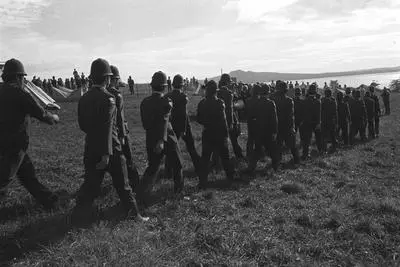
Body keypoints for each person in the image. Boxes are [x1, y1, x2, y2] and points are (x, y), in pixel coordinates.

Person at [74, 58, 147, 221]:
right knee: (123, 185)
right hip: (111, 149)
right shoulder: (109, 98)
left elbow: (82, 125)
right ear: (107, 78)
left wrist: (94, 138)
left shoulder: (84, 98)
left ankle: (78, 216)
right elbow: (108, 128)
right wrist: (106, 154)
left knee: (90, 185)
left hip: (91, 146)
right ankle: (135, 215)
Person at [0, 58, 60, 210]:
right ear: (18, 77)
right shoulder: (21, 94)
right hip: (14, 146)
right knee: (3, 181)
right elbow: (41, 113)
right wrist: (53, 118)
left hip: (5, 143)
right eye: (22, 77)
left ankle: (50, 201)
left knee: (28, 176)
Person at [138, 71, 184, 204]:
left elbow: (145, 124)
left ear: (152, 86)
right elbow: (164, 121)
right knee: (178, 164)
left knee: (152, 167)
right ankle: (178, 193)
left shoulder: (144, 102)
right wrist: (161, 140)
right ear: (164, 87)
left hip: (151, 138)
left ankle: (141, 194)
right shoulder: (166, 101)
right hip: (167, 138)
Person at [107, 65, 141, 190]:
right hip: (119, 133)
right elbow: (120, 118)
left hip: (106, 135)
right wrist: (122, 135)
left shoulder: (100, 93)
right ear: (114, 80)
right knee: (128, 159)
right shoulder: (116, 95)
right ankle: (136, 184)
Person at [197, 80, 235, 188]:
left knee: (205, 158)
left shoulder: (202, 103)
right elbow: (223, 121)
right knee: (225, 157)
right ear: (216, 91)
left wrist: (205, 123)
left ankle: (202, 180)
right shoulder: (220, 102)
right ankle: (230, 177)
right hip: (219, 133)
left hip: (207, 133)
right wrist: (226, 135)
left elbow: (198, 118)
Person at [165, 74, 201, 177]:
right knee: (191, 148)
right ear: (182, 85)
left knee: (171, 150)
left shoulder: (168, 96)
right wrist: (183, 129)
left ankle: (168, 171)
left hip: (171, 126)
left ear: (172, 85)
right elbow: (183, 114)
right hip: (184, 125)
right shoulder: (183, 97)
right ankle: (198, 167)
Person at [246, 84, 280, 172]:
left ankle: (251, 167)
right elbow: (274, 119)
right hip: (268, 131)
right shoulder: (270, 103)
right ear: (268, 93)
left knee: (257, 150)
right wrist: (275, 131)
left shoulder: (255, 102)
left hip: (258, 131)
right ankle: (276, 167)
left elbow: (252, 117)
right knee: (273, 150)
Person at [271, 80, 300, 164]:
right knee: (292, 145)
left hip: (277, 125)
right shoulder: (289, 100)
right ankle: (296, 160)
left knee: (278, 145)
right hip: (287, 125)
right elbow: (291, 115)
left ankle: (277, 162)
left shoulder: (272, 99)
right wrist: (292, 127)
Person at [217, 73, 244, 159]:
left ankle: (216, 159)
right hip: (229, 117)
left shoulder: (217, 91)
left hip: (219, 118)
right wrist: (231, 122)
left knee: (220, 140)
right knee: (233, 138)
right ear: (227, 82)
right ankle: (238, 155)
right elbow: (230, 107)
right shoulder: (228, 93)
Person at [300, 84, 322, 159]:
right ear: (315, 92)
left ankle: (305, 154)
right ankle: (321, 151)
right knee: (318, 138)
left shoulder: (304, 101)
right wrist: (318, 123)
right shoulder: (318, 101)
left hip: (307, 122)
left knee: (307, 140)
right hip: (316, 122)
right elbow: (319, 113)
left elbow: (302, 113)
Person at [321, 88, 338, 153]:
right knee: (332, 135)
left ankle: (324, 149)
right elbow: (335, 112)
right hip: (331, 121)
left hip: (324, 120)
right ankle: (334, 147)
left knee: (324, 136)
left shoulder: (322, 100)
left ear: (325, 94)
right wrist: (336, 122)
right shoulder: (333, 101)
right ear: (331, 94)